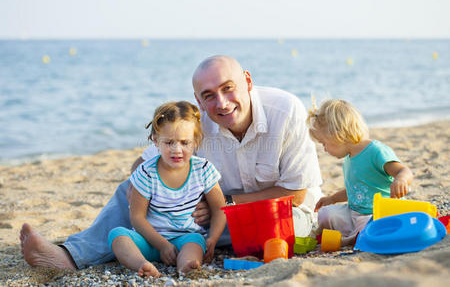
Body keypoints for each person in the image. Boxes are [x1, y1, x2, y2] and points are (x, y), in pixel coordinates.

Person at [20, 55, 323, 270]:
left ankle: (173, 247)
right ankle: (70, 256)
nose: (221, 102)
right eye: (209, 95)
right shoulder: (195, 122)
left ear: (247, 81)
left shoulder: (285, 110)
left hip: (277, 212)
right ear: (198, 99)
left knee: (284, 226)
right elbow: (141, 165)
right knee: (134, 187)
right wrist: (163, 192)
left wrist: (225, 202)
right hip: (207, 216)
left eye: (228, 88)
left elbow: (295, 192)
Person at [108, 101, 226, 277]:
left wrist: (213, 239)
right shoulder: (147, 172)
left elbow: (219, 210)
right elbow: (137, 217)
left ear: (196, 141)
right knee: (117, 236)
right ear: (156, 141)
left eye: (185, 142)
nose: (177, 150)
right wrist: (162, 245)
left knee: (195, 242)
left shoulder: (203, 170)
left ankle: (186, 267)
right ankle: (142, 265)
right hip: (149, 241)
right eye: (169, 142)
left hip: (186, 238)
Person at [307, 99, 413, 245]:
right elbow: (355, 190)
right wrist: (332, 199)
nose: (324, 149)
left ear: (337, 135)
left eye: (324, 143)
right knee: (325, 214)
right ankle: (354, 236)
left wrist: (401, 180)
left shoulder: (376, 151)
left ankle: (350, 239)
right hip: (354, 213)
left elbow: (404, 170)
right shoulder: (349, 158)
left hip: (379, 213)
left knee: (367, 227)